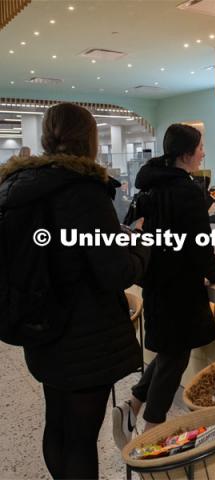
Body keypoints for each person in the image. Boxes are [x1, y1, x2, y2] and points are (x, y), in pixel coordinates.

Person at [0, 103, 150, 479]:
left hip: (39, 324)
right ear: (90, 139)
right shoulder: (83, 190)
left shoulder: (20, 186)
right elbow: (114, 271)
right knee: (82, 438)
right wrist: (140, 247)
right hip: (85, 334)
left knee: (58, 424)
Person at [113, 124, 215, 447]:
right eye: (201, 147)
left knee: (168, 352)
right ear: (186, 154)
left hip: (156, 281)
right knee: (175, 358)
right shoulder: (187, 191)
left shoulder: (152, 185)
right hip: (181, 286)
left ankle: (132, 407)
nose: (204, 152)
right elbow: (200, 244)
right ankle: (152, 434)